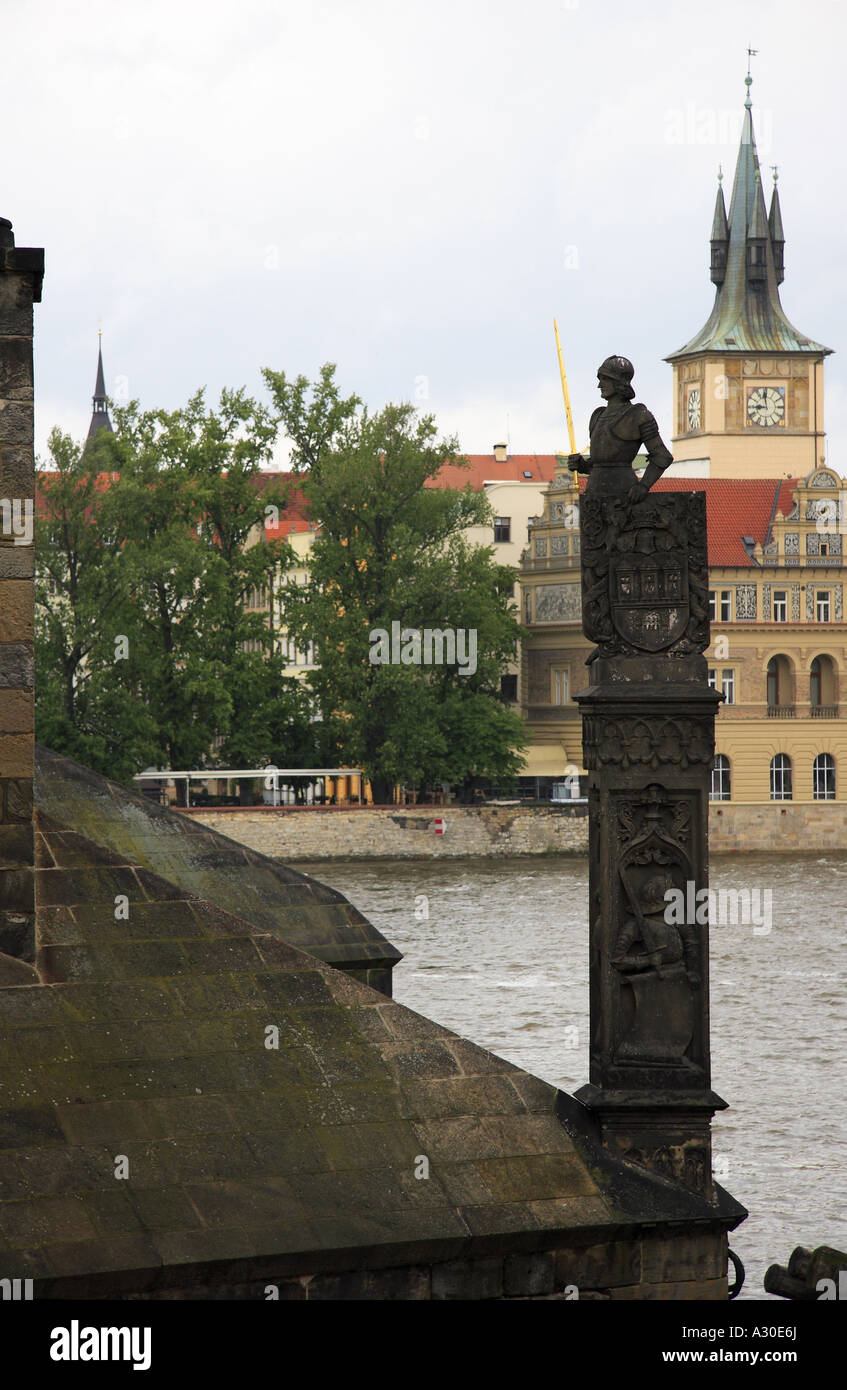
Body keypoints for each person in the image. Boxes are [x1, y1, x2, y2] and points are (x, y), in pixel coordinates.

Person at [568, 356, 673, 503]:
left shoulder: (638, 415)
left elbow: (662, 456)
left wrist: (643, 486)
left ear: (618, 382)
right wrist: (582, 465)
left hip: (624, 496)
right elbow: (600, 464)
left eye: (604, 379)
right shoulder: (597, 416)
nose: (599, 385)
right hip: (593, 496)